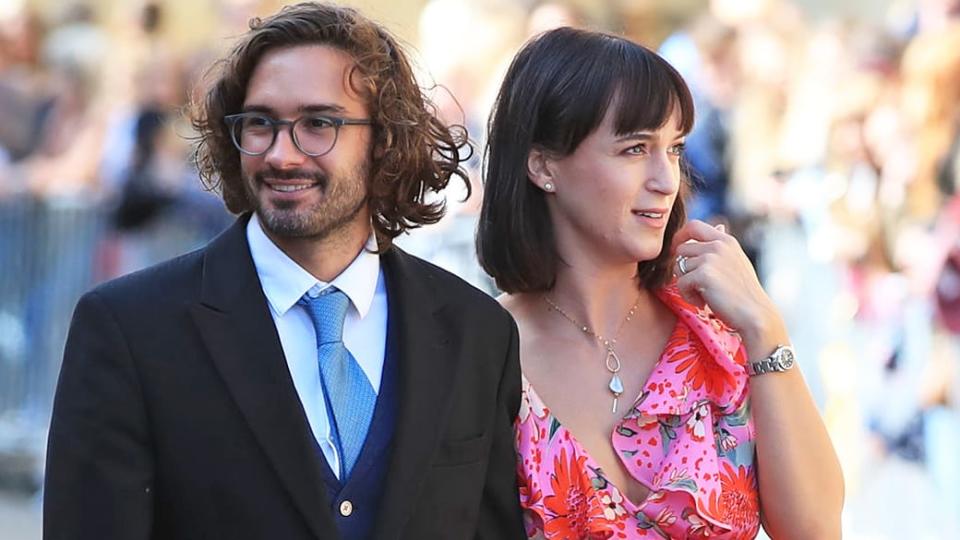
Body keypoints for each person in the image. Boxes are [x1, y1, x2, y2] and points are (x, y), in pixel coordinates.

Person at [44, 3, 525, 539]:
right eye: (260, 124)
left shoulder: (475, 333)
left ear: (384, 140)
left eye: (318, 123)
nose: (281, 154)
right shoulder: (129, 330)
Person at [478, 27, 843, 539]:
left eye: (673, 149)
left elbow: (816, 530)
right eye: (633, 149)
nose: (665, 179)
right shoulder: (485, 354)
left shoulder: (713, 332)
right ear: (543, 166)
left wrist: (764, 328)